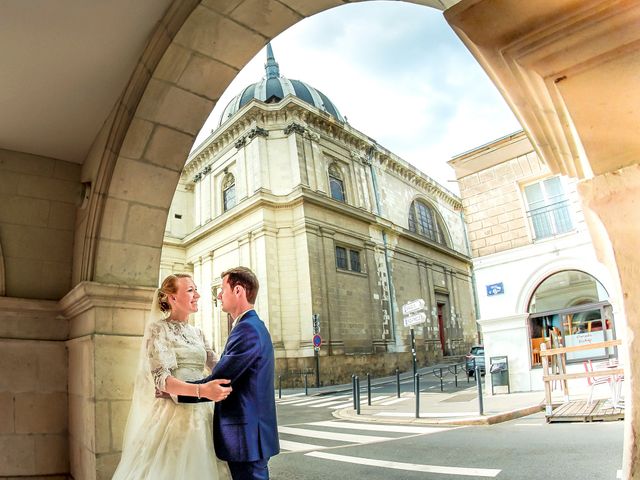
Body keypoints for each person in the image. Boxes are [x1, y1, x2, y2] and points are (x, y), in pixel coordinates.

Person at [112, 273, 232, 480]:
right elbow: (162, 380)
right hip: (173, 415)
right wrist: (201, 390)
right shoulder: (158, 330)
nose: (198, 295)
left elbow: (219, 368)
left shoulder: (197, 333)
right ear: (172, 297)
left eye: (196, 289)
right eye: (190, 290)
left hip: (205, 413)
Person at [180, 267, 279, 480]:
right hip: (249, 437)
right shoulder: (249, 326)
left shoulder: (248, 330)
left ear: (238, 291)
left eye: (222, 290)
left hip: (246, 439)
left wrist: (176, 392)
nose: (218, 295)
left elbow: (220, 380)